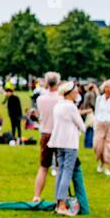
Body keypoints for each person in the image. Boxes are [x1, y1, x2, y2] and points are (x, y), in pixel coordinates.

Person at [47, 81, 86, 216]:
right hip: (70, 143)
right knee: (67, 173)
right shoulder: (71, 107)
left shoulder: (58, 105)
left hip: (58, 143)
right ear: (69, 93)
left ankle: (58, 203)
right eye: (75, 92)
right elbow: (82, 125)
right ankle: (62, 205)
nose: (77, 94)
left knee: (61, 171)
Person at [32, 72, 61, 202]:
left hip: (45, 133)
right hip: (59, 134)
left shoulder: (40, 99)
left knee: (43, 167)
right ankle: (60, 198)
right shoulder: (61, 99)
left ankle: (37, 195)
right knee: (61, 168)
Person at [93, 80, 110, 176]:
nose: (108, 89)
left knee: (107, 146)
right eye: (106, 87)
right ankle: (100, 161)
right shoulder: (99, 99)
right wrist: (95, 125)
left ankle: (106, 166)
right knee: (97, 145)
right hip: (100, 124)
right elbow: (96, 112)